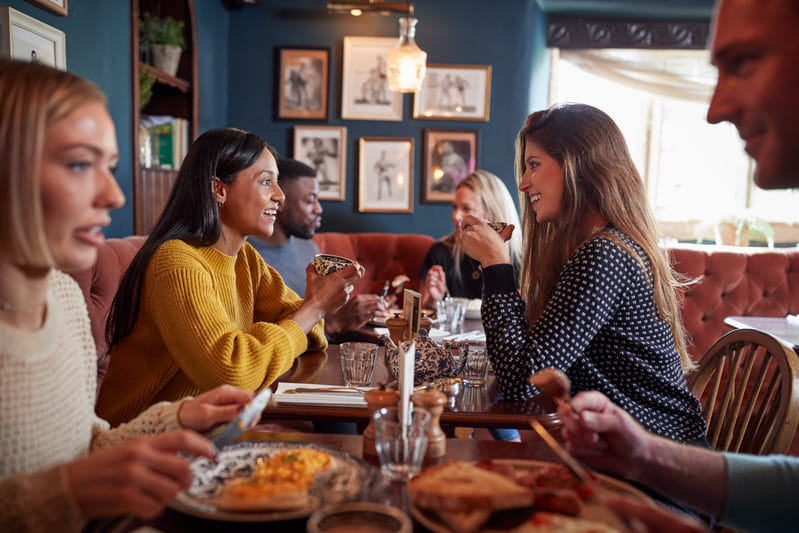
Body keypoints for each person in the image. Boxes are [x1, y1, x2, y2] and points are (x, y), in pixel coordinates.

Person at [557, 1, 799, 531]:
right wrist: (642, 454)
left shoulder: (606, 253)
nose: (714, 108)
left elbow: (525, 367)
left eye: (744, 62)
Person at [0, 58, 256, 532]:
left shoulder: (64, 300)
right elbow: (65, 484)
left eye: (110, 167)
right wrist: (63, 496)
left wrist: (176, 417)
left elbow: (86, 448)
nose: (114, 195)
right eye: (79, 164)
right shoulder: (179, 260)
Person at [460, 103, 706, 449]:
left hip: (660, 459)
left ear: (578, 166)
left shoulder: (603, 254)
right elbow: (527, 363)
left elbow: (521, 380)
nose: (523, 181)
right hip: (620, 448)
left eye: (534, 165)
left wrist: (496, 265)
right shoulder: (597, 247)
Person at [96, 129, 363, 426]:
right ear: (219, 190)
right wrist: (311, 308)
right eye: (266, 182)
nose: (280, 195)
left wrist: (302, 319)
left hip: (212, 434)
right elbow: (234, 372)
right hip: (143, 446)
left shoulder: (245, 259)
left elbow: (314, 335)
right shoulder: (177, 262)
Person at [420, 170, 523, 442]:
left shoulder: (518, 257)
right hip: (454, 349)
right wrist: (434, 298)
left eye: (466, 208)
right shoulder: (441, 251)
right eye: (455, 207)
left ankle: (497, 441)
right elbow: (424, 310)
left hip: (497, 348)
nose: (456, 215)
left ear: (490, 211)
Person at [249, 158, 390, 337]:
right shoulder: (248, 256)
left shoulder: (310, 248)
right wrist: (334, 324)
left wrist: (353, 311)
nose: (319, 209)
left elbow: (322, 312)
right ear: (280, 201)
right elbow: (263, 336)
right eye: (310, 201)